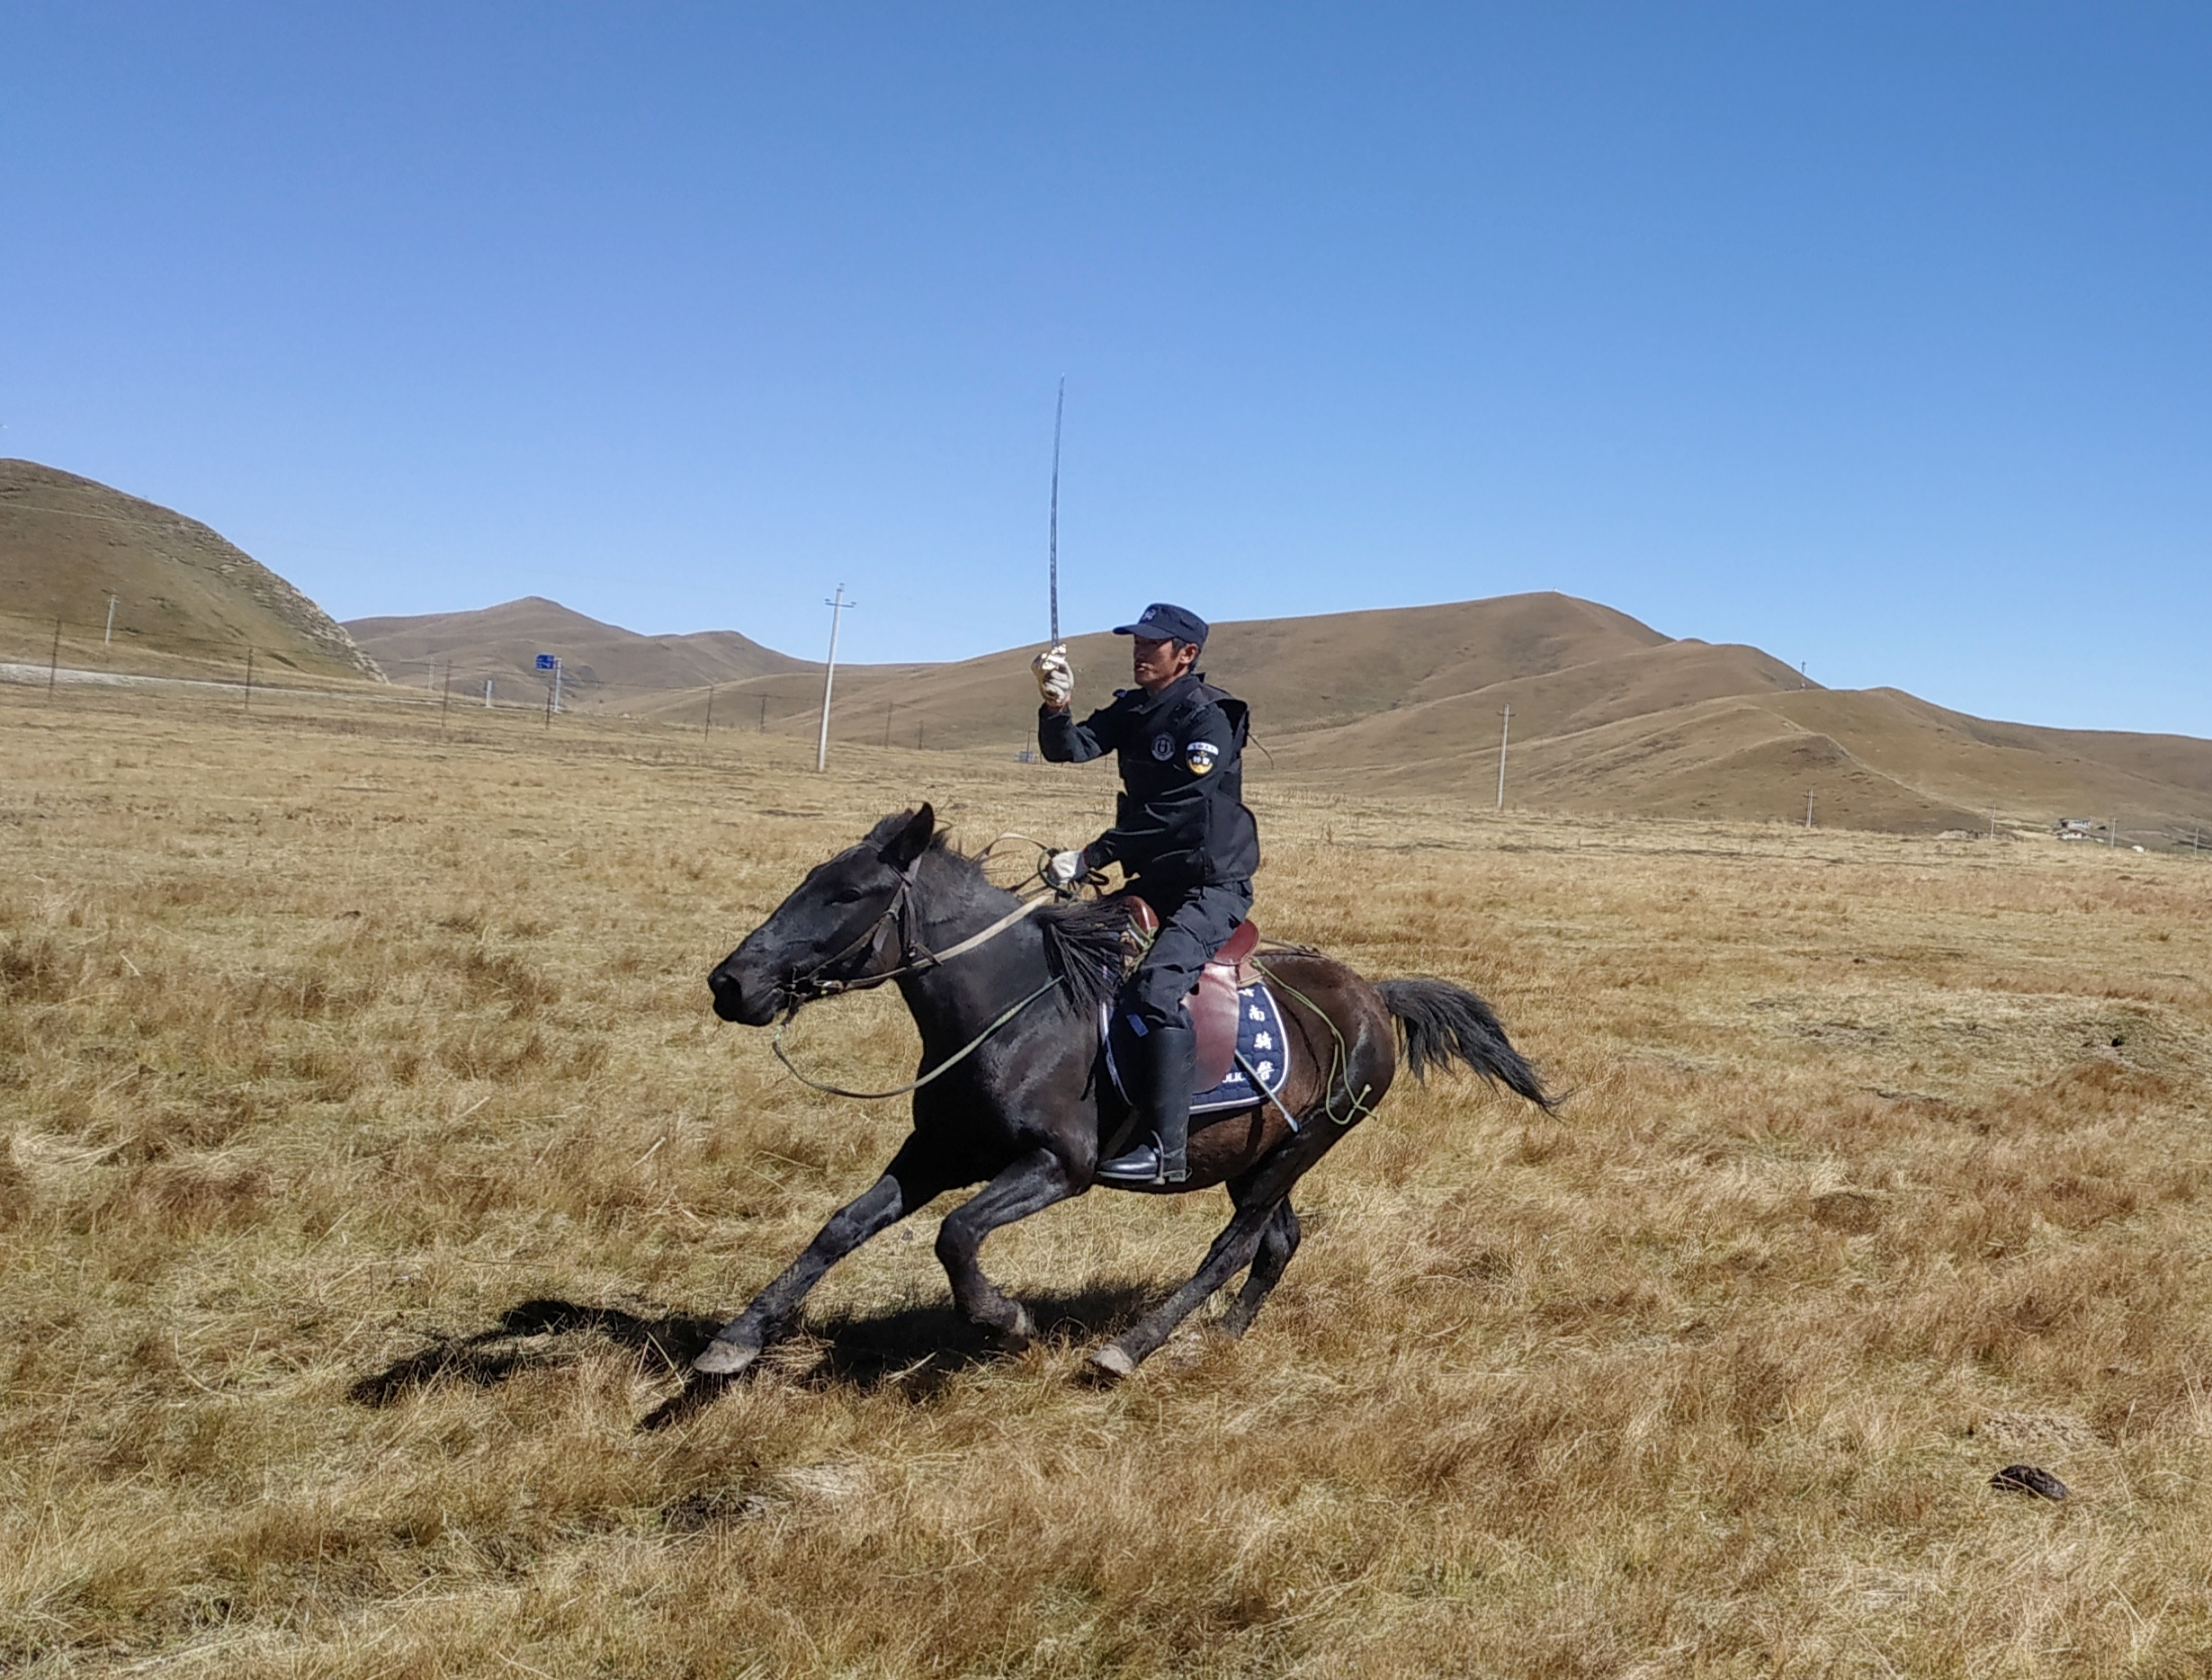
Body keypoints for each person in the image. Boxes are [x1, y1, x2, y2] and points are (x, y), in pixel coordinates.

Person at [1032, 603, 1260, 1185]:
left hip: (1209, 883)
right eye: (1135, 642)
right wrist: (1055, 706)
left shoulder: (1208, 718)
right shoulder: (1135, 707)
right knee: (1065, 955)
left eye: (1151, 645)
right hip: (1154, 879)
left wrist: (1091, 856)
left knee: (1157, 990)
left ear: (1185, 655)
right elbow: (1072, 748)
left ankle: (1167, 1148)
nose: (1139, 652)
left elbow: (1178, 808)